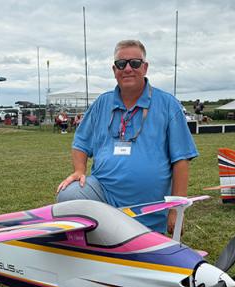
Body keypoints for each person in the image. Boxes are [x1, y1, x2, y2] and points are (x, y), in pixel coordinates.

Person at [56, 39, 198, 235]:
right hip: (103, 195)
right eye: (122, 64)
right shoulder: (101, 103)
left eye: (135, 63)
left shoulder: (168, 105)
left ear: (145, 67)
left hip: (149, 206)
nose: (128, 68)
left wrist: (175, 209)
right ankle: (97, 239)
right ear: (114, 70)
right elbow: (80, 142)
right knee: (69, 193)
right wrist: (79, 169)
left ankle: (133, 233)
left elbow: (181, 160)